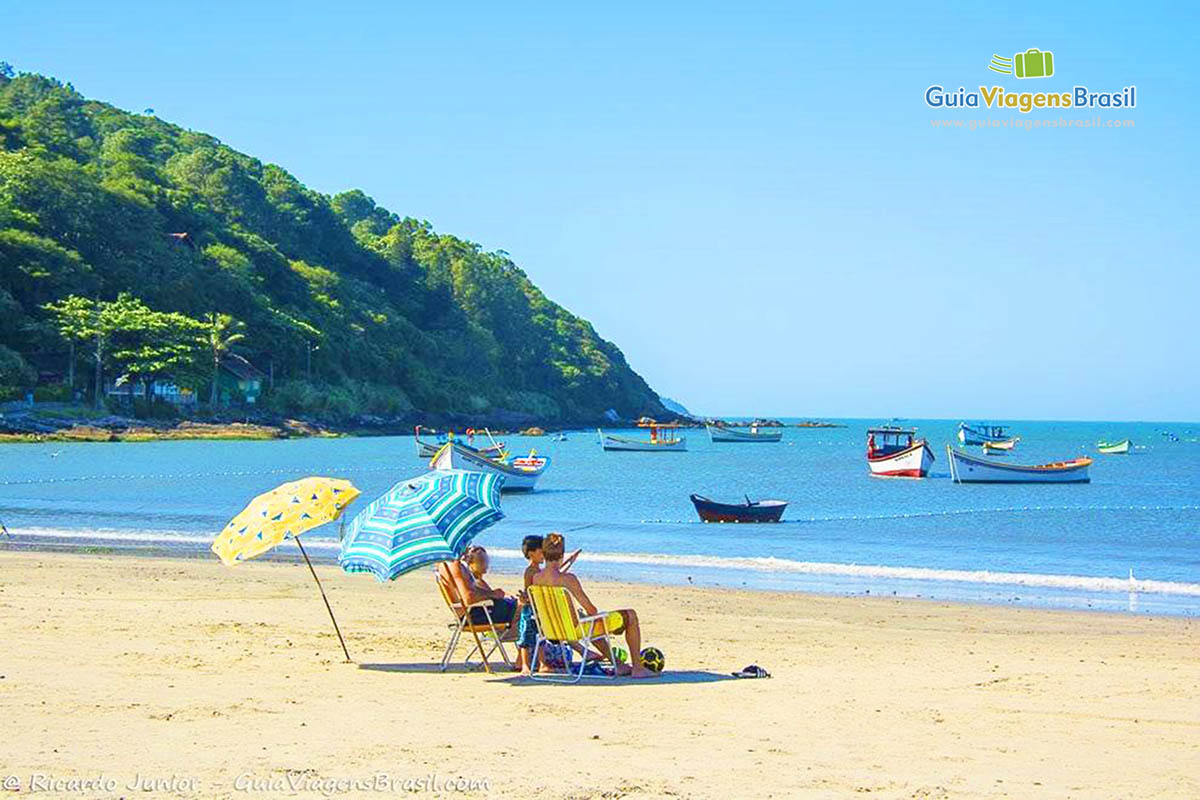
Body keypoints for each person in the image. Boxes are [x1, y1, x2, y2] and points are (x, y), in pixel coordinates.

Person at [531, 532, 658, 679]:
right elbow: (591, 609)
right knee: (630, 615)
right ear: (562, 554)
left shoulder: (537, 579)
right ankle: (637, 668)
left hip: (551, 630)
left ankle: (619, 665)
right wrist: (595, 614)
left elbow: (552, 576)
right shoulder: (568, 579)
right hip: (574, 631)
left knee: (590, 622)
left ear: (544, 554)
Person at [436, 546, 518, 628]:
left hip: (472, 612)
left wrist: (492, 594)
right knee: (521, 606)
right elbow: (468, 598)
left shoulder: (447, 564)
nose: (468, 547)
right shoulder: (454, 566)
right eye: (465, 542)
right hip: (473, 616)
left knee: (516, 603)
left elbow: (471, 591)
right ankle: (521, 638)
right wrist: (492, 594)